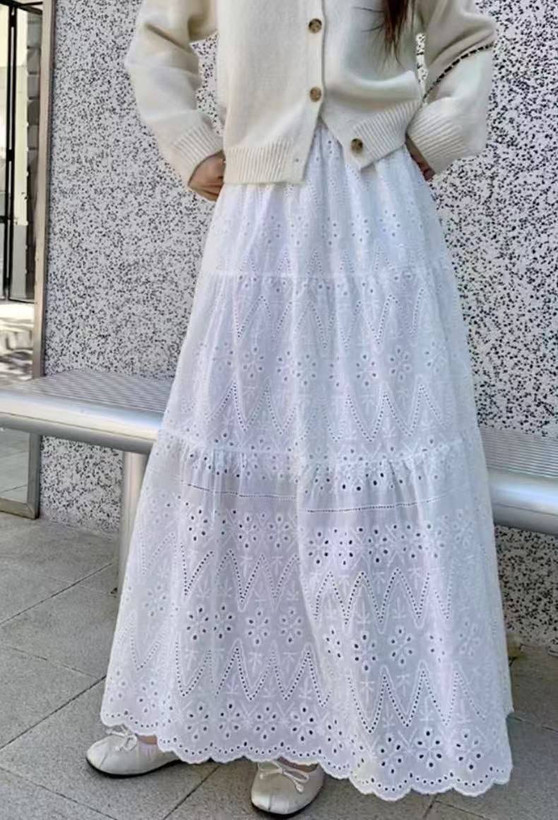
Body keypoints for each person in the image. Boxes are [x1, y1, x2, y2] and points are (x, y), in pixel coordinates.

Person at [86, 0, 514, 814]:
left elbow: (470, 43)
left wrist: (432, 137)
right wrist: (191, 145)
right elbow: (157, 39)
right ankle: (178, 702)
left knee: (346, 453)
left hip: (377, 218)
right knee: (228, 442)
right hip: (258, 216)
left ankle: (307, 727)